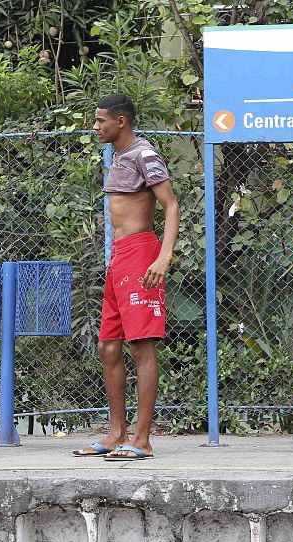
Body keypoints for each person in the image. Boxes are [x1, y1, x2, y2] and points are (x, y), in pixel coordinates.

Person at [73, 93, 179, 461]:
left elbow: (171, 204)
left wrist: (164, 256)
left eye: (101, 120)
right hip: (118, 258)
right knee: (108, 346)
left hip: (141, 254)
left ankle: (143, 439)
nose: (95, 126)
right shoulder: (119, 157)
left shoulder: (144, 154)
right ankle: (117, 433)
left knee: (141, 346)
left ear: (121, 121)